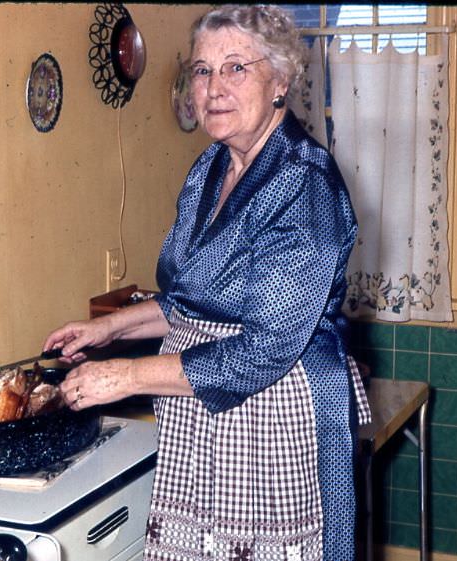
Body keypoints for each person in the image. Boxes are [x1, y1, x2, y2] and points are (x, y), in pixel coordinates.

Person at [43, 5, 369, 561]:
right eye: (202, 70)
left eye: (236, 68)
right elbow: (193, 301)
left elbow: (264, 348)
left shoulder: (303, 183)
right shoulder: (212, 167)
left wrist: (125, 376)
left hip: (269, 414)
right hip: (199, 411)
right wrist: (111, 330)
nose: (214, 87)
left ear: (280, 82)